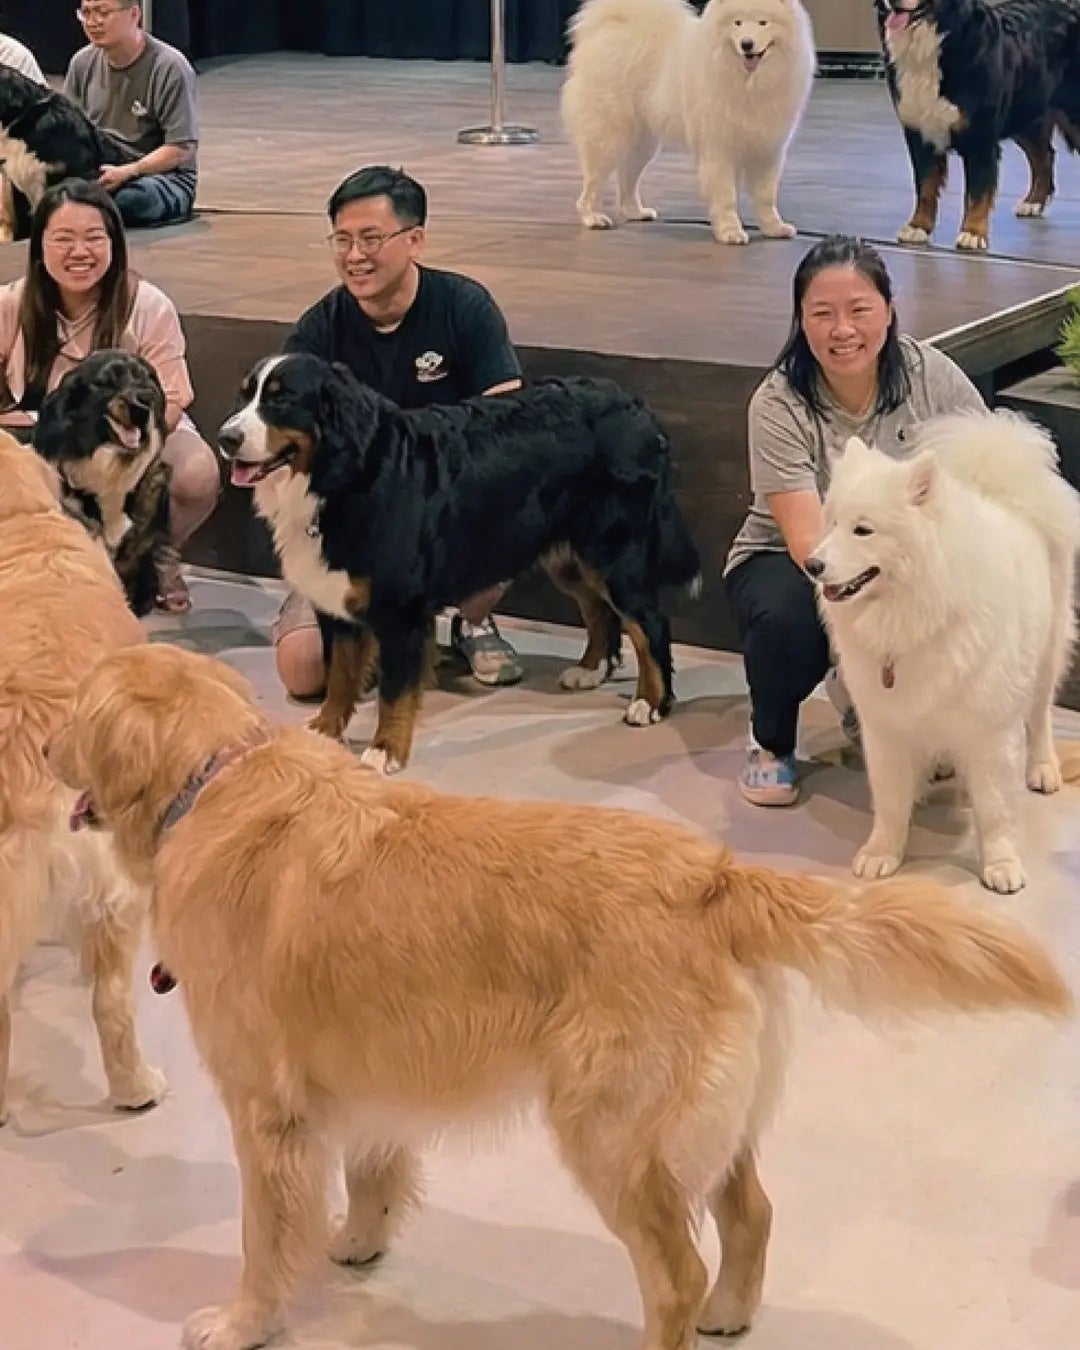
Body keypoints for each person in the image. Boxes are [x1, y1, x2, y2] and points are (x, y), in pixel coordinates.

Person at [723, 234, 987, 808]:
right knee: (789, 620)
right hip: (795, 557)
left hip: (900, 554)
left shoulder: (929, 374)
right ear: (801, 320)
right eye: (822, 314)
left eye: (859, 310)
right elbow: (807, 542)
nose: (843, 330)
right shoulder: (777, 403)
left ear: (888, 312)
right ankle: (771, 742)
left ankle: (893, 717)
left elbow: (985, 464)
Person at [274, 164, 527, 700]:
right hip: (349, 533)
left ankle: (470, 620)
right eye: (342, 240)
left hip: (445, 515)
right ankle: (385, 623)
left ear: (415, 240)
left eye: (371, 238)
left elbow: (508, 422)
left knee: (516, 500)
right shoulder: (319, 328)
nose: (355, 255)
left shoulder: (464, 306)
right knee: (301, 671)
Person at [0, 178, 221, 611]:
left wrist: (133, 455)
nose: (79, 251)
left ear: (115, 245)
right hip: (48, 436)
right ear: (39, 246)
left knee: (196, 473)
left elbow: (174, 397)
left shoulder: (149, 305)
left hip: (140, 436)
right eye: (63, 238)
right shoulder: (10, 304)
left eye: (93, 237)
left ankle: (154, 558)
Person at [64, 1, 198, 229]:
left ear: (134, 14)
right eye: (86, 13)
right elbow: (70, 130)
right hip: (102, 169)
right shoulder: (81, 63)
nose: (92, 22)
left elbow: (181, 148)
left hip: (159, 175)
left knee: (133, 201)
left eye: (103, 13)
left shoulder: (169, 66)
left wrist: (130, 171)